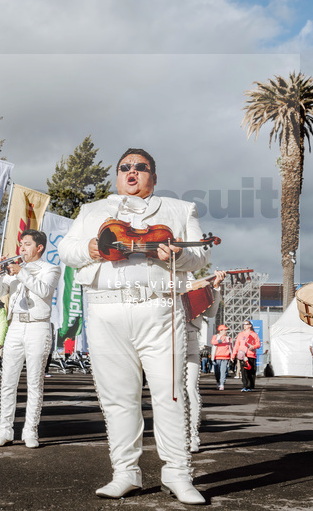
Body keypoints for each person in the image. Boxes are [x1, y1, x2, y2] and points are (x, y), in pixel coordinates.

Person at [58, 148, 209, 504]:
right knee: (117, 398)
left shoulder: (178, 209)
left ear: (153, 177)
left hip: (159, 309)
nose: (132, 172)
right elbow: (67, 249)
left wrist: (180, 255)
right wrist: (92, 248)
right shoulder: (92, 211)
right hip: (105, 310)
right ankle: (125, 472)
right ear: (117, 175)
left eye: (141, 168)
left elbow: (201, 253)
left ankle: (178, 472)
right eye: (125, 167)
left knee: (170, 393)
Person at [0, 229, 59, 448]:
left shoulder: (51, 268)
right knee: (8, 381)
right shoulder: (15, 270)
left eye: (27, 244)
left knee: (34, 383)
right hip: (16, 325)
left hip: (38, 326)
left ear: (39, 248)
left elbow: (44, 291)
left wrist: (20, 273)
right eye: (21, 244)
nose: (22, 248)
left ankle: (30, 431)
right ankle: (4, 429)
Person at [185, 271, 225, 453]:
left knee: (190, 389)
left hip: (189, 338)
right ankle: (172, 437)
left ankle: (192, 435)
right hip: (163, 340)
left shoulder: (190, 275)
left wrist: (215, 286)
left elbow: (210, 311)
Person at [232, 320, 261, 392]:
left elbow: (258, 344)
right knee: (244, 370)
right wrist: (233, 355)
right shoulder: (240, 334)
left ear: (250, 325)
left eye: (246, 324)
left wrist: (253, 347)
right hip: (242, 355)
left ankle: (250, 385)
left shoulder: (254, 334)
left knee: (251, 371)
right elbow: (236, 345)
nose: (244, 325)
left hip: (251, 355)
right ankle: (245, 385)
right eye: (244, 324)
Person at [211, 325, 232, 391]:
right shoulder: (216, 336)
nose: (226, 331)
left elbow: (231, 347)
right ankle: (218, 382)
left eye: (226, 330)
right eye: (225, 330)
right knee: (217, 372)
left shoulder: (228, 338)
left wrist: (232, 355)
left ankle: (222, 384)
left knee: (223, 371)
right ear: (220, 330)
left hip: (225, 357)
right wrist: (220, 341)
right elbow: (213, 342)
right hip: (217, 357)